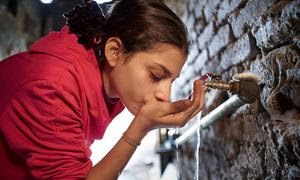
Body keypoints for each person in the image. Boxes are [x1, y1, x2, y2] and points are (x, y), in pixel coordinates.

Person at [0, 0, 205, 179]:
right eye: (156, 75)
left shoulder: (110, 85)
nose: (165, 95)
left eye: (172, 81)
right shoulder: (55, 89)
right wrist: (140, 127)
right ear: (114, 52)